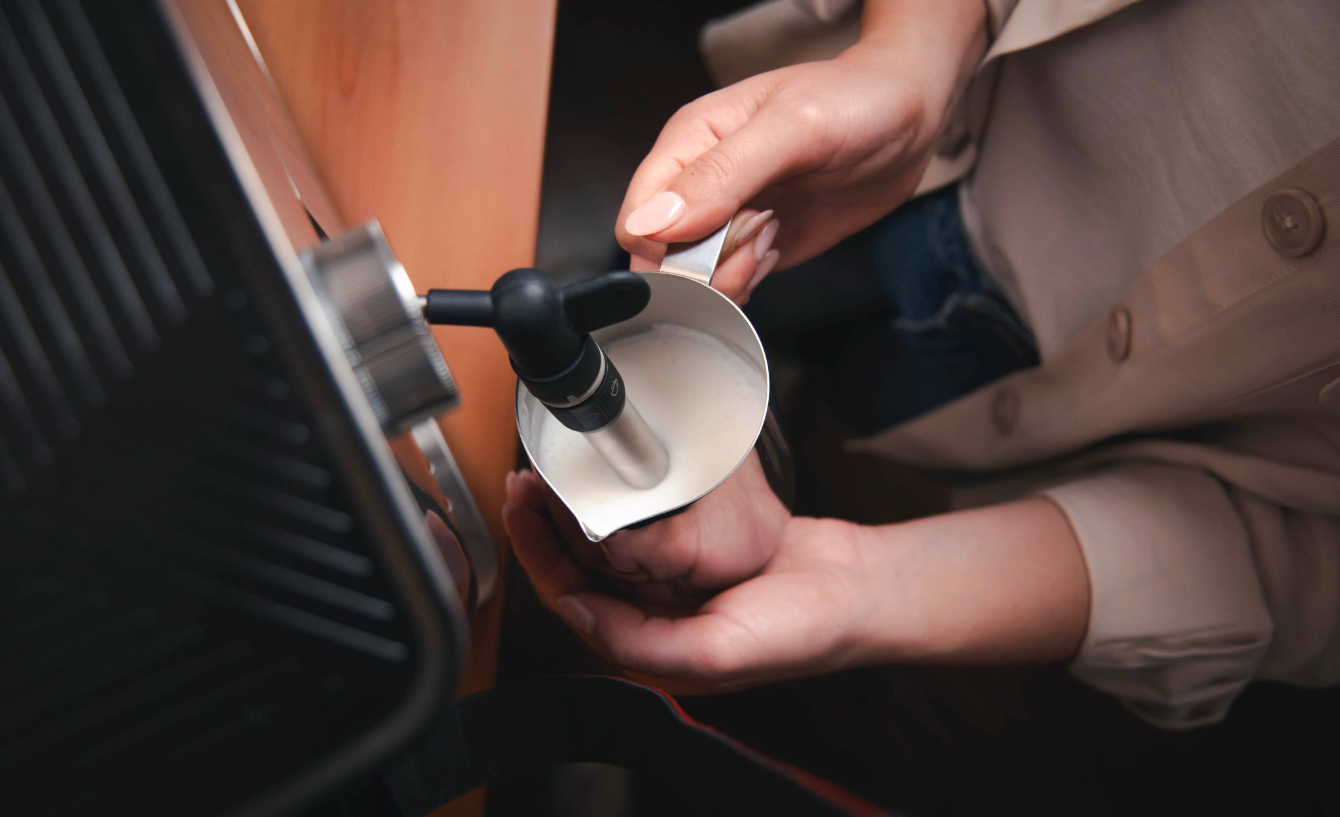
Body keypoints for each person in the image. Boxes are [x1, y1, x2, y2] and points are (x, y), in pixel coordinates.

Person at [503, 0, 1340, 733]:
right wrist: (911, 51)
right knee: (647, 295)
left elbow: (1310, 572)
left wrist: (873, 587)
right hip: (893, 162)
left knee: (845, 393)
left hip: (1032, 405)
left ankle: (774, 414)